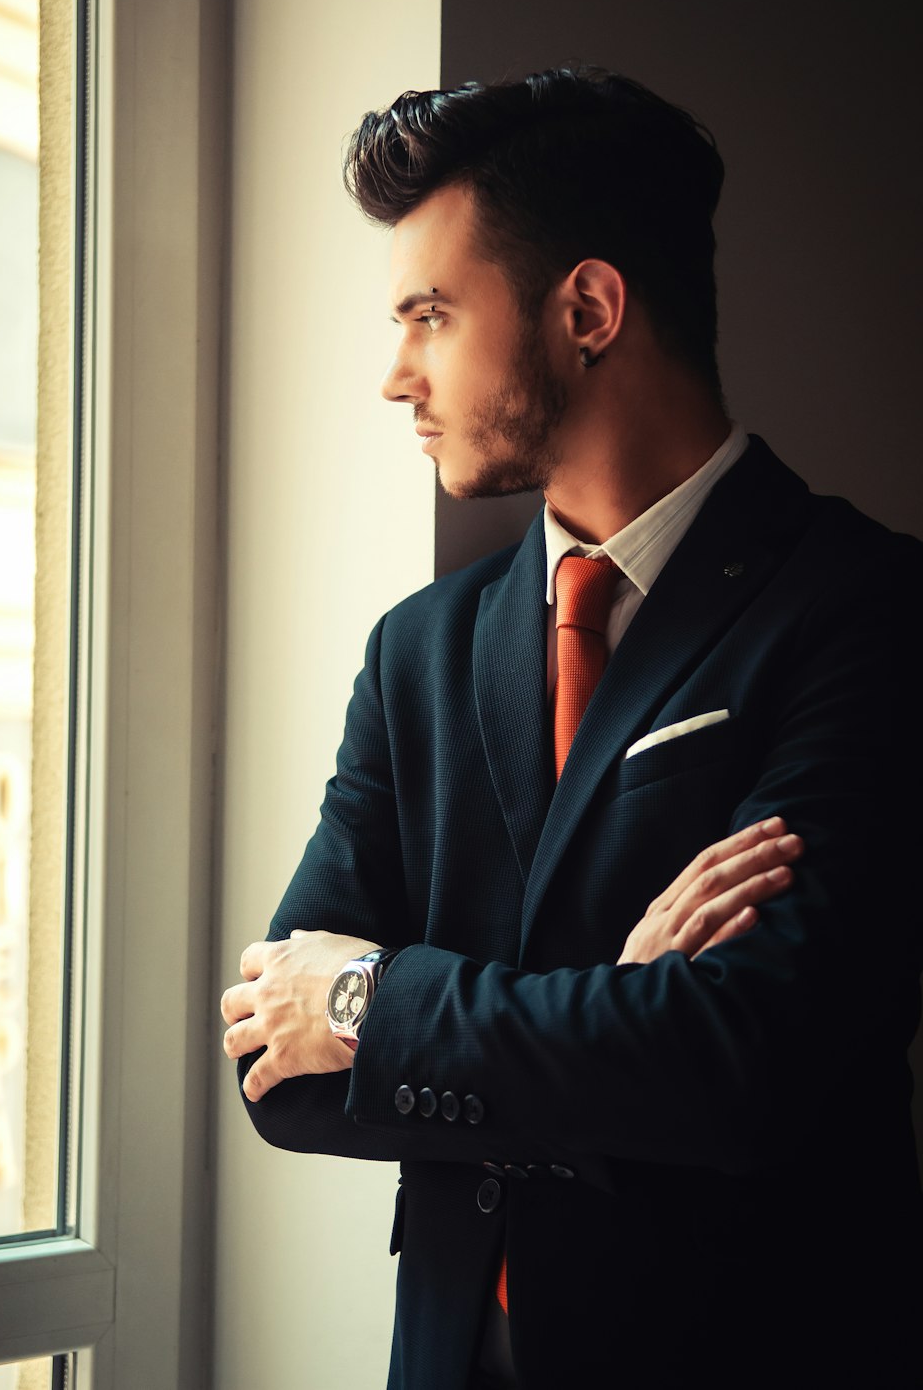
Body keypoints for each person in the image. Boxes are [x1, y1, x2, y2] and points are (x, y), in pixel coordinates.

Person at [220, 68, 923, 1389]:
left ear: (588, 309)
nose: (394, 377)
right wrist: (617, 1013)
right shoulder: (416, 654)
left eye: (430, 314)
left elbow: (742, 1065)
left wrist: (373, 1002)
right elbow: (279, 1064)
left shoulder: (867, 613)